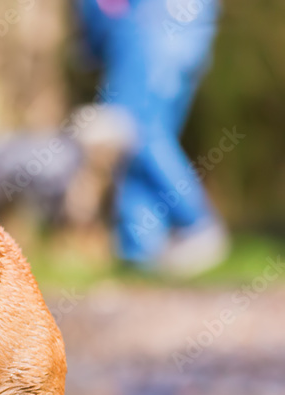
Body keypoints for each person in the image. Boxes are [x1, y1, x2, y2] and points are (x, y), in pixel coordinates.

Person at [78, 0, 228, 276]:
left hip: (147, 30)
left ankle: (196, 224)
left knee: (132, 132)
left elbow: (101, 7)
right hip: (189, 27)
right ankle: (140, 250)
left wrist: (95, 40)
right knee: (141, 142)